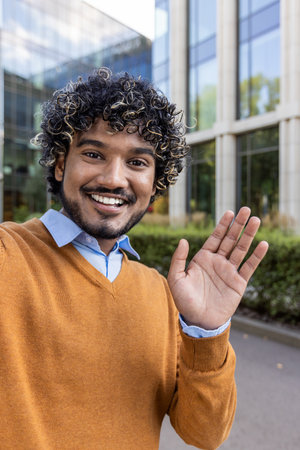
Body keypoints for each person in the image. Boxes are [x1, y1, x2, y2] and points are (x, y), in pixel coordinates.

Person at [0, 68, 268, 449]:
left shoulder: (161, 293)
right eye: (93, 153)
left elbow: (204, 434)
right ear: (60, 164)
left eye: (137, 163)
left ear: (155, 183)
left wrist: (206, 331)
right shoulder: (8, 255)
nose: (114, 178)